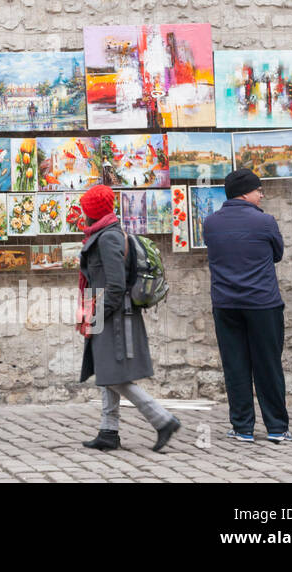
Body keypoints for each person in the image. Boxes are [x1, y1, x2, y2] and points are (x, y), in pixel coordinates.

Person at [76, 184, 180, 452]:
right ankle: (108, 431)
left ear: (93, 212)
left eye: (85, 209)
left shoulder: (108, 237)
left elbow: (115, 285)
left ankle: (162, 419)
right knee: (107, 371)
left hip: (114, 315)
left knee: (113, 376)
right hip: (108, 312)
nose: (83, 214)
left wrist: (96, 315)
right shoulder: (104, 234)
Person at [202, 168, 289, 443]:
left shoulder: (210, 223)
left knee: (235, 365)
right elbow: (277, 254)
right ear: (244, 193)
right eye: (258, 190)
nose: (261, 195)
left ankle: (242, 427)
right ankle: (277, 427)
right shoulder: (265, 221)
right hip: (262, 303)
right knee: (268, 364)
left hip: (226, 303)